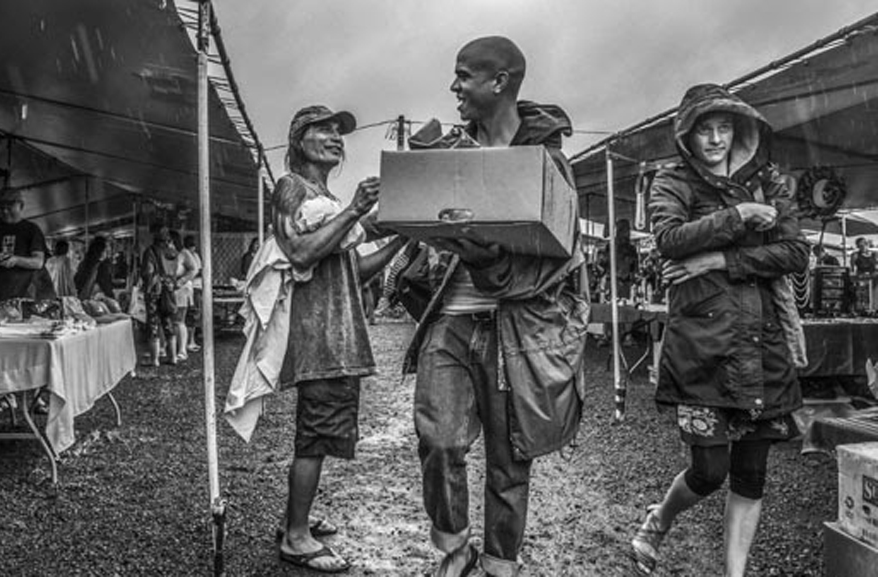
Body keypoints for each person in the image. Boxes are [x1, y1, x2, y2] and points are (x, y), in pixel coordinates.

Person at [404, 37, 590, 577]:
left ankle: (499, 565)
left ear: (499, 82)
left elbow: (551, 262)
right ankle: (454, 547)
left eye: (463, 76)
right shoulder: (452, 154)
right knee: (438, 440)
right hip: (453, 321)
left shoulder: (549, 163)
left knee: (509, 461)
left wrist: (485, 259)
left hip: (518, 332)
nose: (454, 87)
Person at [629, 84, 809, 577]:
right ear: (688, 134)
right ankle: (659, 519)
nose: (714, 139)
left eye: (723, 128)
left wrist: (719, 258)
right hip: (703, 344)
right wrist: (740, 217)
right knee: (710, 472)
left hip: (763, 341)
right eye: (704, 129)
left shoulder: (769, 180)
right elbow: (668, 240)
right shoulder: (673, 181)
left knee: (751, 473)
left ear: (739, 128)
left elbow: (795, 254)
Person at [267, 105, 403, 573]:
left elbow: (352, 269)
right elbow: (299, 251)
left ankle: (295, 520)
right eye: (323, 130)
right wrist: (356, 212)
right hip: (320, 336)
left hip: (340, 335)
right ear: (299, 139)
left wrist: (401, 239)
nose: (335, 137)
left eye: (338, 131)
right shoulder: (291, 188)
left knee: (319, 436)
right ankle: (297, 538)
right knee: (314, 436)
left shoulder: (325, 197)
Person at [0, 188, 47, 302]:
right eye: (1, 208)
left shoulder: (31, 230)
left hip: (25, 295)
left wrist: (16, 260)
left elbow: (38, 262)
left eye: (10, 208)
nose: (5, 212)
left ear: (21, 206)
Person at [140, 224, 180, 367]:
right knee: (169, 323)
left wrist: (150, 281)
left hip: (154, 292)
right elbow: (177, 272)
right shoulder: (173, 252)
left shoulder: (150, 252)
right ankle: (173, 357)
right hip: (169, 291)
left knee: (153, 324)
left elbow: (147, 272)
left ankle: (154, 359)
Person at [170, 230, 198, 362]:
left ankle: (182, 350)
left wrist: (180, 281)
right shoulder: (166, 254)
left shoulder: (184, 253)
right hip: (168, 290)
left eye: (169, 241)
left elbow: (194, 269)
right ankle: (168, 348)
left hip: (181, 290)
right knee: (168, 320)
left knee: (179, 320)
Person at [181, 235, 202, 352]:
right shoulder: (185, 255)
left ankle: (191, 340)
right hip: (192, 287)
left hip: (196, 286)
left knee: (194, 314)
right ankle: (189, 341)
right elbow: (195, 271)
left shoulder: (194, 255)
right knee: (191, 314)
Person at [74, 236, 109, 300]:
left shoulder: (83, 263)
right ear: (101, 251)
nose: (107, 253)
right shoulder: (100, 266)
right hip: (90, 300)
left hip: (80, 299)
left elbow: (76, 282)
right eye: (105, 250)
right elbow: (106, 287)